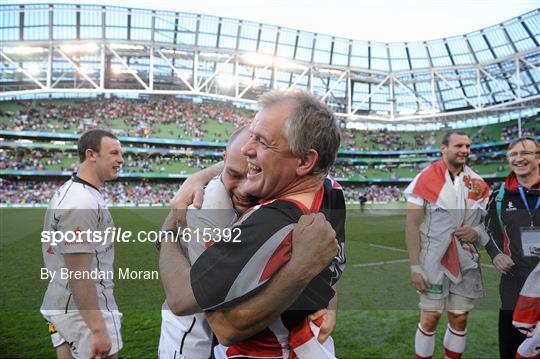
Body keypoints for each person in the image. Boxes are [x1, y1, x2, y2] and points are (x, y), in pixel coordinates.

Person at [162, 89, 345, 358]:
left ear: (306, 160)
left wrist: (168, 229)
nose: (248, 149)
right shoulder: (332, 190)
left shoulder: (265, 224)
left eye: (262, 141)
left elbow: (208, 316)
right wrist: (201, 176)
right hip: (314, 345)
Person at [158, 127, 257, 358]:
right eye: (234, 174)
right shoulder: (211, 204)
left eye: (254, 172)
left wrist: (199, 175)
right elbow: (188, 300)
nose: (244, 188)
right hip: (193, 342)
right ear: (224, 161)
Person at [404, 131, 490, 359]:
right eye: (459, 145)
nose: (464, 150)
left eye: (468, 146)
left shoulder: (479, 184)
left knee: (460, 318)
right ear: (444, 149)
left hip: (467, 261)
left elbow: (488, 226)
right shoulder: (425, 179)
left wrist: (477, 232)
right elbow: (412, 225)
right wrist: (415, 267)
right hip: (432, 262)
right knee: (430, 317)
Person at [41, 129, 124, 359]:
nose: (121, 159)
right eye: (114, 152)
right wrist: (97, 329)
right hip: (83, 310)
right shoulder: (82, 202)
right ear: (91, 154)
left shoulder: (73, 191)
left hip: (62, 301)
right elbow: (78, 272)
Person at [483, 136, 540, 359]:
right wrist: (496, 254)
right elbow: (488, 229)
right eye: (513, 154)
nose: (518, 158)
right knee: (510, 352)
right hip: (514, 288)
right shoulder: (499, 196)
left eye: (525, 153)